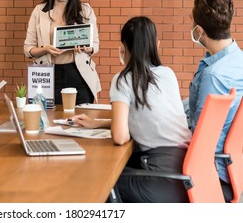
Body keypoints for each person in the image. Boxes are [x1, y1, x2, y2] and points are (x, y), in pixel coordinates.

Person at [70, 16, 192, 202]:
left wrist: (125, 69)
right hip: (185, 176)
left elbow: (120, 137)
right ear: (155, 45)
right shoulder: (168, 74)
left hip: (160, 179)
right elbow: (146, 119)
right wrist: (98, 124)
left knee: (97, 180)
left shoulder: (123, 79)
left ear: (123, 47)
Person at [187, 0, 243, 202]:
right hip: (234, 167)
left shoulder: (214, 75)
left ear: (199, 30)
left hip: (212, 172)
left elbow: (201, 137)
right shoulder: (238, 61)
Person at [24, 0, 101, 105]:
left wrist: (86, 48)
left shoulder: (85, 10)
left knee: (81, 120)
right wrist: (45, 49)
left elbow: (95, 45)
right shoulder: (39, 11)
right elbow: (28, 49)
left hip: (79, 74)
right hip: (48, 75)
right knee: (49, 120)